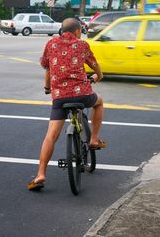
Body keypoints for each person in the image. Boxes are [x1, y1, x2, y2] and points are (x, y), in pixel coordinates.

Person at [27, 17, 106, 191]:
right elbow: (95, 66)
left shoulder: (51, 43)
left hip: (59, 98)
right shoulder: (82, 45)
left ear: (62, 30)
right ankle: (93, 139)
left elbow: (47, 69)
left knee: (51, 136)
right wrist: (98, 76)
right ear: (77, 31)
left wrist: (48, 88)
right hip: (83, 95)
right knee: (99, 103)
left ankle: (40, 174)